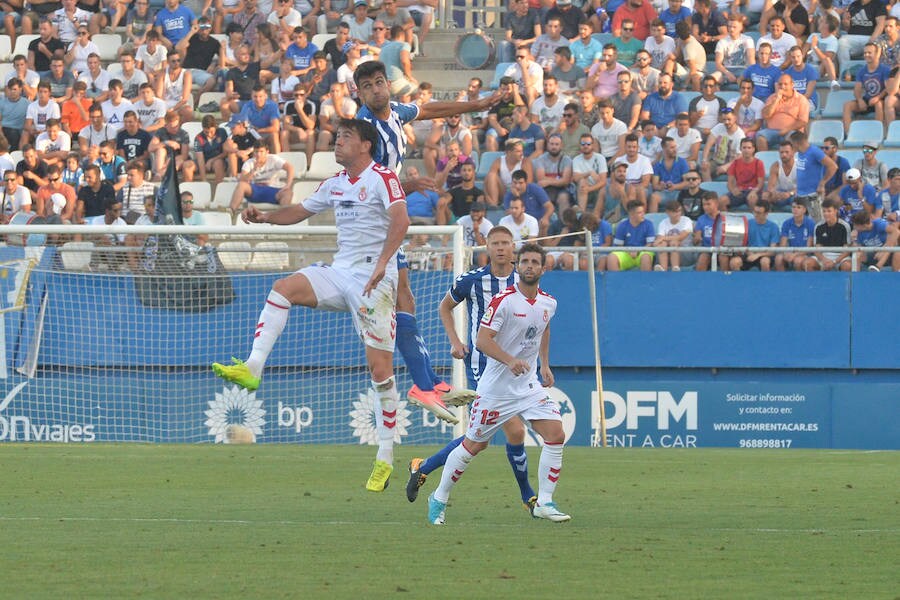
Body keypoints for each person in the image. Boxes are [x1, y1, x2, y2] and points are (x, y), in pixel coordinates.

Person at [213, 119, 410, 491]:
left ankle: (385, 456)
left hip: (375, 279)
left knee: (380, 371)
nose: (337, 143)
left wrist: (386, 262)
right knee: (282, 288)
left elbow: (401, 220)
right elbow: (299, 210)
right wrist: (265, 218)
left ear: (366, 145)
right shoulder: (334, 183)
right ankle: (253, 367)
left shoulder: (383, 178)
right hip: (341, 272)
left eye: (345, 138)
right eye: (336, 138)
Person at [425, 242, 567, 525]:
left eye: (534, 262)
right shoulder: (503, 301)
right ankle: (439, 498)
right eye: (524, 261)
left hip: (527, 387)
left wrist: (545, 364)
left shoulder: (548, 302)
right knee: (473, 446)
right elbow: (482, 340)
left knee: (555, 434)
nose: (528, 266)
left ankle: (545, 502)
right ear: (518, 265)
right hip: (496, 390)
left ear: (543, 268)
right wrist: (509, 360)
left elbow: (544, 328)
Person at [229, 139, 294, 211]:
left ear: (267, 152)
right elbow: (242, 180)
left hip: (272, 189)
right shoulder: (249, 163)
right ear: (254, 152)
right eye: (256, 152)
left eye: (261, 151)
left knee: (288, 193)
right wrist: (253, 170)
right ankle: (231, 211)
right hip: (255, 190)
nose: (258, 154)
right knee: (241, 185)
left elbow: (290, 168)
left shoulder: (273, 159)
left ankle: (283, 217)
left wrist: (288, 185)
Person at [842, 43, 890, 135]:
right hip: (867, 99)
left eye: (869, 53)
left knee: (878, 104)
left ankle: (877, 134)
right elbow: (857, 89)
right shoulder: (862, 71)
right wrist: (860, 100)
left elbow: (887, 88)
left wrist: (878, 97)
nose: (866, 55)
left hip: (881, 99)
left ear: (877, 54)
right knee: (847, 105)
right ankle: (849, 135)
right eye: (865, 53)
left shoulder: (885, 69)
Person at [791, 130, 837, 222]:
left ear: (796, 143)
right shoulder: (799, 153)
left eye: (792, 143)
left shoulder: (814, 151)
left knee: (818, 222)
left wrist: (822, 183)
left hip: (812, 195)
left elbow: (833, 166)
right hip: (800, 194)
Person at [757, 73, 809, 151]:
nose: (782, 87)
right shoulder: (772, 97)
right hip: (772, 131)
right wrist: (777, 100)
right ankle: (765, 161)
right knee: (760, 137)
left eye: (785, 84)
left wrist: (787, 129)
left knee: (791, 139)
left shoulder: (801, 99)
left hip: (792, 131)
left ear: (792, 85)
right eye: (780, 84)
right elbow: (765, 115)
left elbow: (803, 121)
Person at [804, 198, 851, 271]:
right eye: (824, 211)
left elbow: (846, 250)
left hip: (840, 257)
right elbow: (817, 249)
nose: (826, 214)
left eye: (829, 211)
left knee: (847, 266)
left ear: (836, 211)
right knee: (808, 263)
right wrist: (824, 260)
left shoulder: (845, 226)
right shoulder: (818, 226)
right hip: (824, 257)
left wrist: (834, 262)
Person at [613, 134, 654, 210]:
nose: (631, 149)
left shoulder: (645, 160)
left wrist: (632, 188)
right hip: (623, 187)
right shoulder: (618, 160)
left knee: (640, 191)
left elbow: (646, 182)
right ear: (625, 147)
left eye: (634, 147)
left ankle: (641, 216)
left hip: (640, 187)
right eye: (629, 147)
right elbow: (614, 179)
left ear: (638, 148)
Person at [774, 198, 815, 271]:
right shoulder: (786, 223)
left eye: (799, 207)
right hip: (791, 252)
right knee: (778, 258)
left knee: (797, 261)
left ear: (804, 210)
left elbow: (808, 247)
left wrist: (795, 255)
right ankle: (782, 280)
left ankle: (799, 281)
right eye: (793, 207)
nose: (795, 209)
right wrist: (786, 254)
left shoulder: (810, 223)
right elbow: (783, 245)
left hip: (805, 254)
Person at [653, 199, 694, 271]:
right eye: (675, 212)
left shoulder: (687, 220)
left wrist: (664, 238)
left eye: (680, 211)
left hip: (684, 253)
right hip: (668, 252)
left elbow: (681, 237)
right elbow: (659, 239)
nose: (678, 214)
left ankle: (675, 268)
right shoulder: (663, 223)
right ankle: (663, 269)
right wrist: (662, 240)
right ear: (668, 212)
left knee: (674, 242)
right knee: (662, 244)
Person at [693, 190, 730, 271]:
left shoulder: (726, 218)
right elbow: (697, 237)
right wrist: (697, 238)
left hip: (723, 250)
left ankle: (726, 281)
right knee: (703, 258)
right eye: (704, 204)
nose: (705, 207)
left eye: (708, 204)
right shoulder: (701, 219)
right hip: (707, 250)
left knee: (723, 257)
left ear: (716, 203)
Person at [651, 136, 690, 208]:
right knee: (654, 197)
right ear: (664, 148)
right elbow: (655, 185)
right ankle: (652, 218)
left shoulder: (682, 162)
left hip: (678, 192)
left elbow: (687, 182)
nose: (675, 150)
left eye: (675, 147)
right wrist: (661, 187)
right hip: (664, 192)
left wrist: (675, 186)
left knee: (683, 197)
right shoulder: (658, 164)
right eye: (672, 148)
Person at [572, 132, 608, 213]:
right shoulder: (576, 159)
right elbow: (576, 178)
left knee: (601, 189)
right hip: (583, 188)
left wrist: (589, 189)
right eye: (583, 143)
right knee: (582, 181)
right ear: (580, 145)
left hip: (597, 188)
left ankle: (596, 216)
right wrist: (589, 173)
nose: (586, 146)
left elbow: (603, 181)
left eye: (588, 144)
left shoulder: (600, 158)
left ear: (592, 145)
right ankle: (581, 213)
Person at [763, 140, 797, 209]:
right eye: (781, 152)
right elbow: (770, 186)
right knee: (765, 196)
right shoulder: (776, 166)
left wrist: (790, 193)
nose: (784, 155)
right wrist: (774, 193)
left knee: (801, 198)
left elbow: (803, 187)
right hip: (780, 194)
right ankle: (766, 218)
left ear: (793, 152)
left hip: (794, 194)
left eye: (787, 152)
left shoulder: (800, 166)